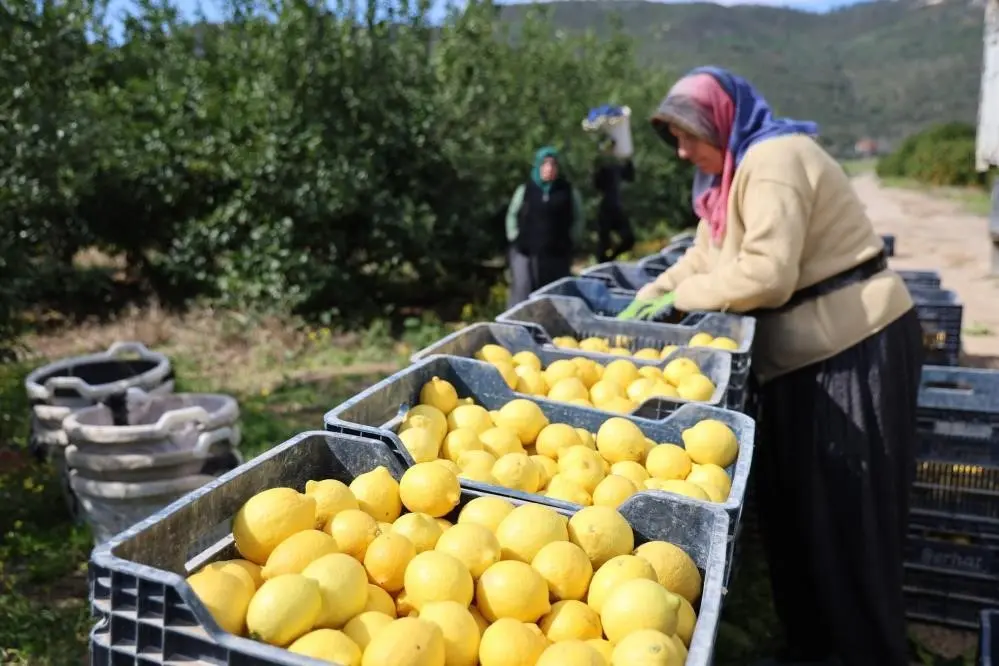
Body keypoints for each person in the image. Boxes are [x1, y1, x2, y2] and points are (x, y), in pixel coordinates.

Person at [633, 66, 922, 666]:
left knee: (847, 513)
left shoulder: (775, 160)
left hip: (852, 348)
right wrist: (649, 297)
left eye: (687, 134)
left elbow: (768, 273)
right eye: (673, 139)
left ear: (721, 121)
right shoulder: (731, 176)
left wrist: (686, 300)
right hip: (804, 357)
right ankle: (816, 645)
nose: (681, 149)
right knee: (807, 514)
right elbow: (703, 257)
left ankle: (864, 652)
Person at [505, 146, 585, 307]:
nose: (549, 168)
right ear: (538, 166)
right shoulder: (526, 189)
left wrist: (573, 238)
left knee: (554, 294)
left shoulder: (567, 191)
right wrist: (514, 235)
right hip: (526, 251)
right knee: (522, 290)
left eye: (553, 164)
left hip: (556, 253)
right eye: (545, 164)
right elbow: (512, 214)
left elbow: (579, 217)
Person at [593, 138, 636, 262]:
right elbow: (596, 184)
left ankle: (611, 258)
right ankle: (602, 265)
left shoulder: (616, 167)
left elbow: (630, 177)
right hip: (605, 209)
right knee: (603, 244)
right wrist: (600, 164)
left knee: (629, 239)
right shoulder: (601, 167)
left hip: (617, 208)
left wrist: (628, 159)